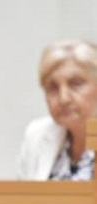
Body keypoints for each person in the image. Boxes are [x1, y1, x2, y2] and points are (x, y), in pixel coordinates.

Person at [17, 39, 97, 180]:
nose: (63, 98)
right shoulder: (37, 135)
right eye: (52, 87)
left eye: (76, 84)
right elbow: (22, 194)